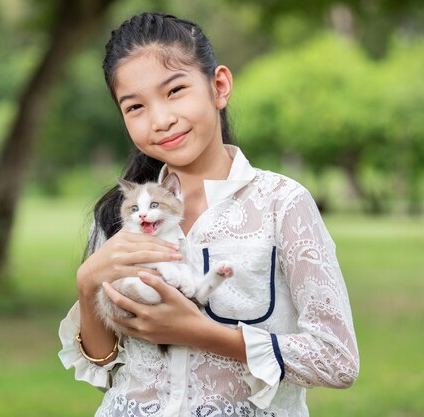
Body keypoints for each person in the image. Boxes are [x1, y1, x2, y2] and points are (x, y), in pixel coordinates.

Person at [59, 12, 359, 417]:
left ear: (218, 86)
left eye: (175, 91)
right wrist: (86, 282)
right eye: (135, 107)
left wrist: (203, 333)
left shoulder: (282, 203)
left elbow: (337, 359)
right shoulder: (120, 214)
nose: (161, 120)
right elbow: (105, 366)